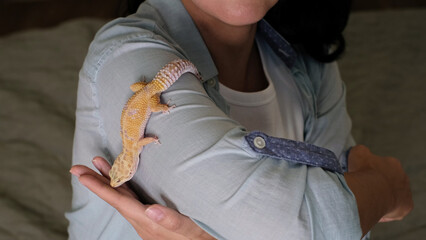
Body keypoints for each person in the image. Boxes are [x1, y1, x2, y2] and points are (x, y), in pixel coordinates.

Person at [67, 0, 413, 239]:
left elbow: (341, 224)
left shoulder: (308, 65)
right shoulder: (124, 54)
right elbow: (309, 225)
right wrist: (386, 188)